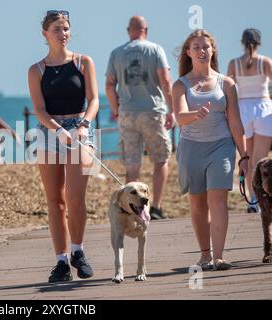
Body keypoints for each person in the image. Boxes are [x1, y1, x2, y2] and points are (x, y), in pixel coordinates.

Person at [27, 10, 99, 282]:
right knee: (55, 202)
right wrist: (57, 130)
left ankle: (78, 251)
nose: (63, 33)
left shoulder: (84, 62)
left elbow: (94, 100)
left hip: (80, 128)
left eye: (66, 28)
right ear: (45, 34)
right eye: (56, 29)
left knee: (75, 197)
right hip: (49, 133)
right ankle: (60, 262)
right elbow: (39, 109)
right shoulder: (36, 70)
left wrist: (82, 126)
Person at [172, 29, 248, 270]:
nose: (202, 51)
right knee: (198, 205)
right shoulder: (180, 85)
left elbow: (235, 122)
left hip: (221, 146)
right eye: (196, 47)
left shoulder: (226, 83)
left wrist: (244, 155)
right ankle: (205, 254)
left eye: (206, 47)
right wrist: (196, 114)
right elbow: (180, 118)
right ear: (188, 52)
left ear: (213, 50)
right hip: (191, 148)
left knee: (218, 201)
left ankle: (218, 256)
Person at [105, 16, 175, 220]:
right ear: (146, 30)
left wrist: (115, 108)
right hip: (152, 111)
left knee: (132, 163)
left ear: (129, 30)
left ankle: (134, 209)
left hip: (127, 112)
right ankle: (156, 207)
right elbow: (166, 80)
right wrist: (171, 111)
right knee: (161, 159)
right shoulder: (156, 50)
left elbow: (110, 85)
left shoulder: (117, 53)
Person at [227, 28, 272, 213]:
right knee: (261, 161)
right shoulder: (265, 62)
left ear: (242, 42)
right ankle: (262, 199)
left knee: (248, 161)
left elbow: (226, 89)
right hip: (263, 109)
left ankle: (252, 200)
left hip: (243, 110)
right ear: (259, 42)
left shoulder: (234, 63)